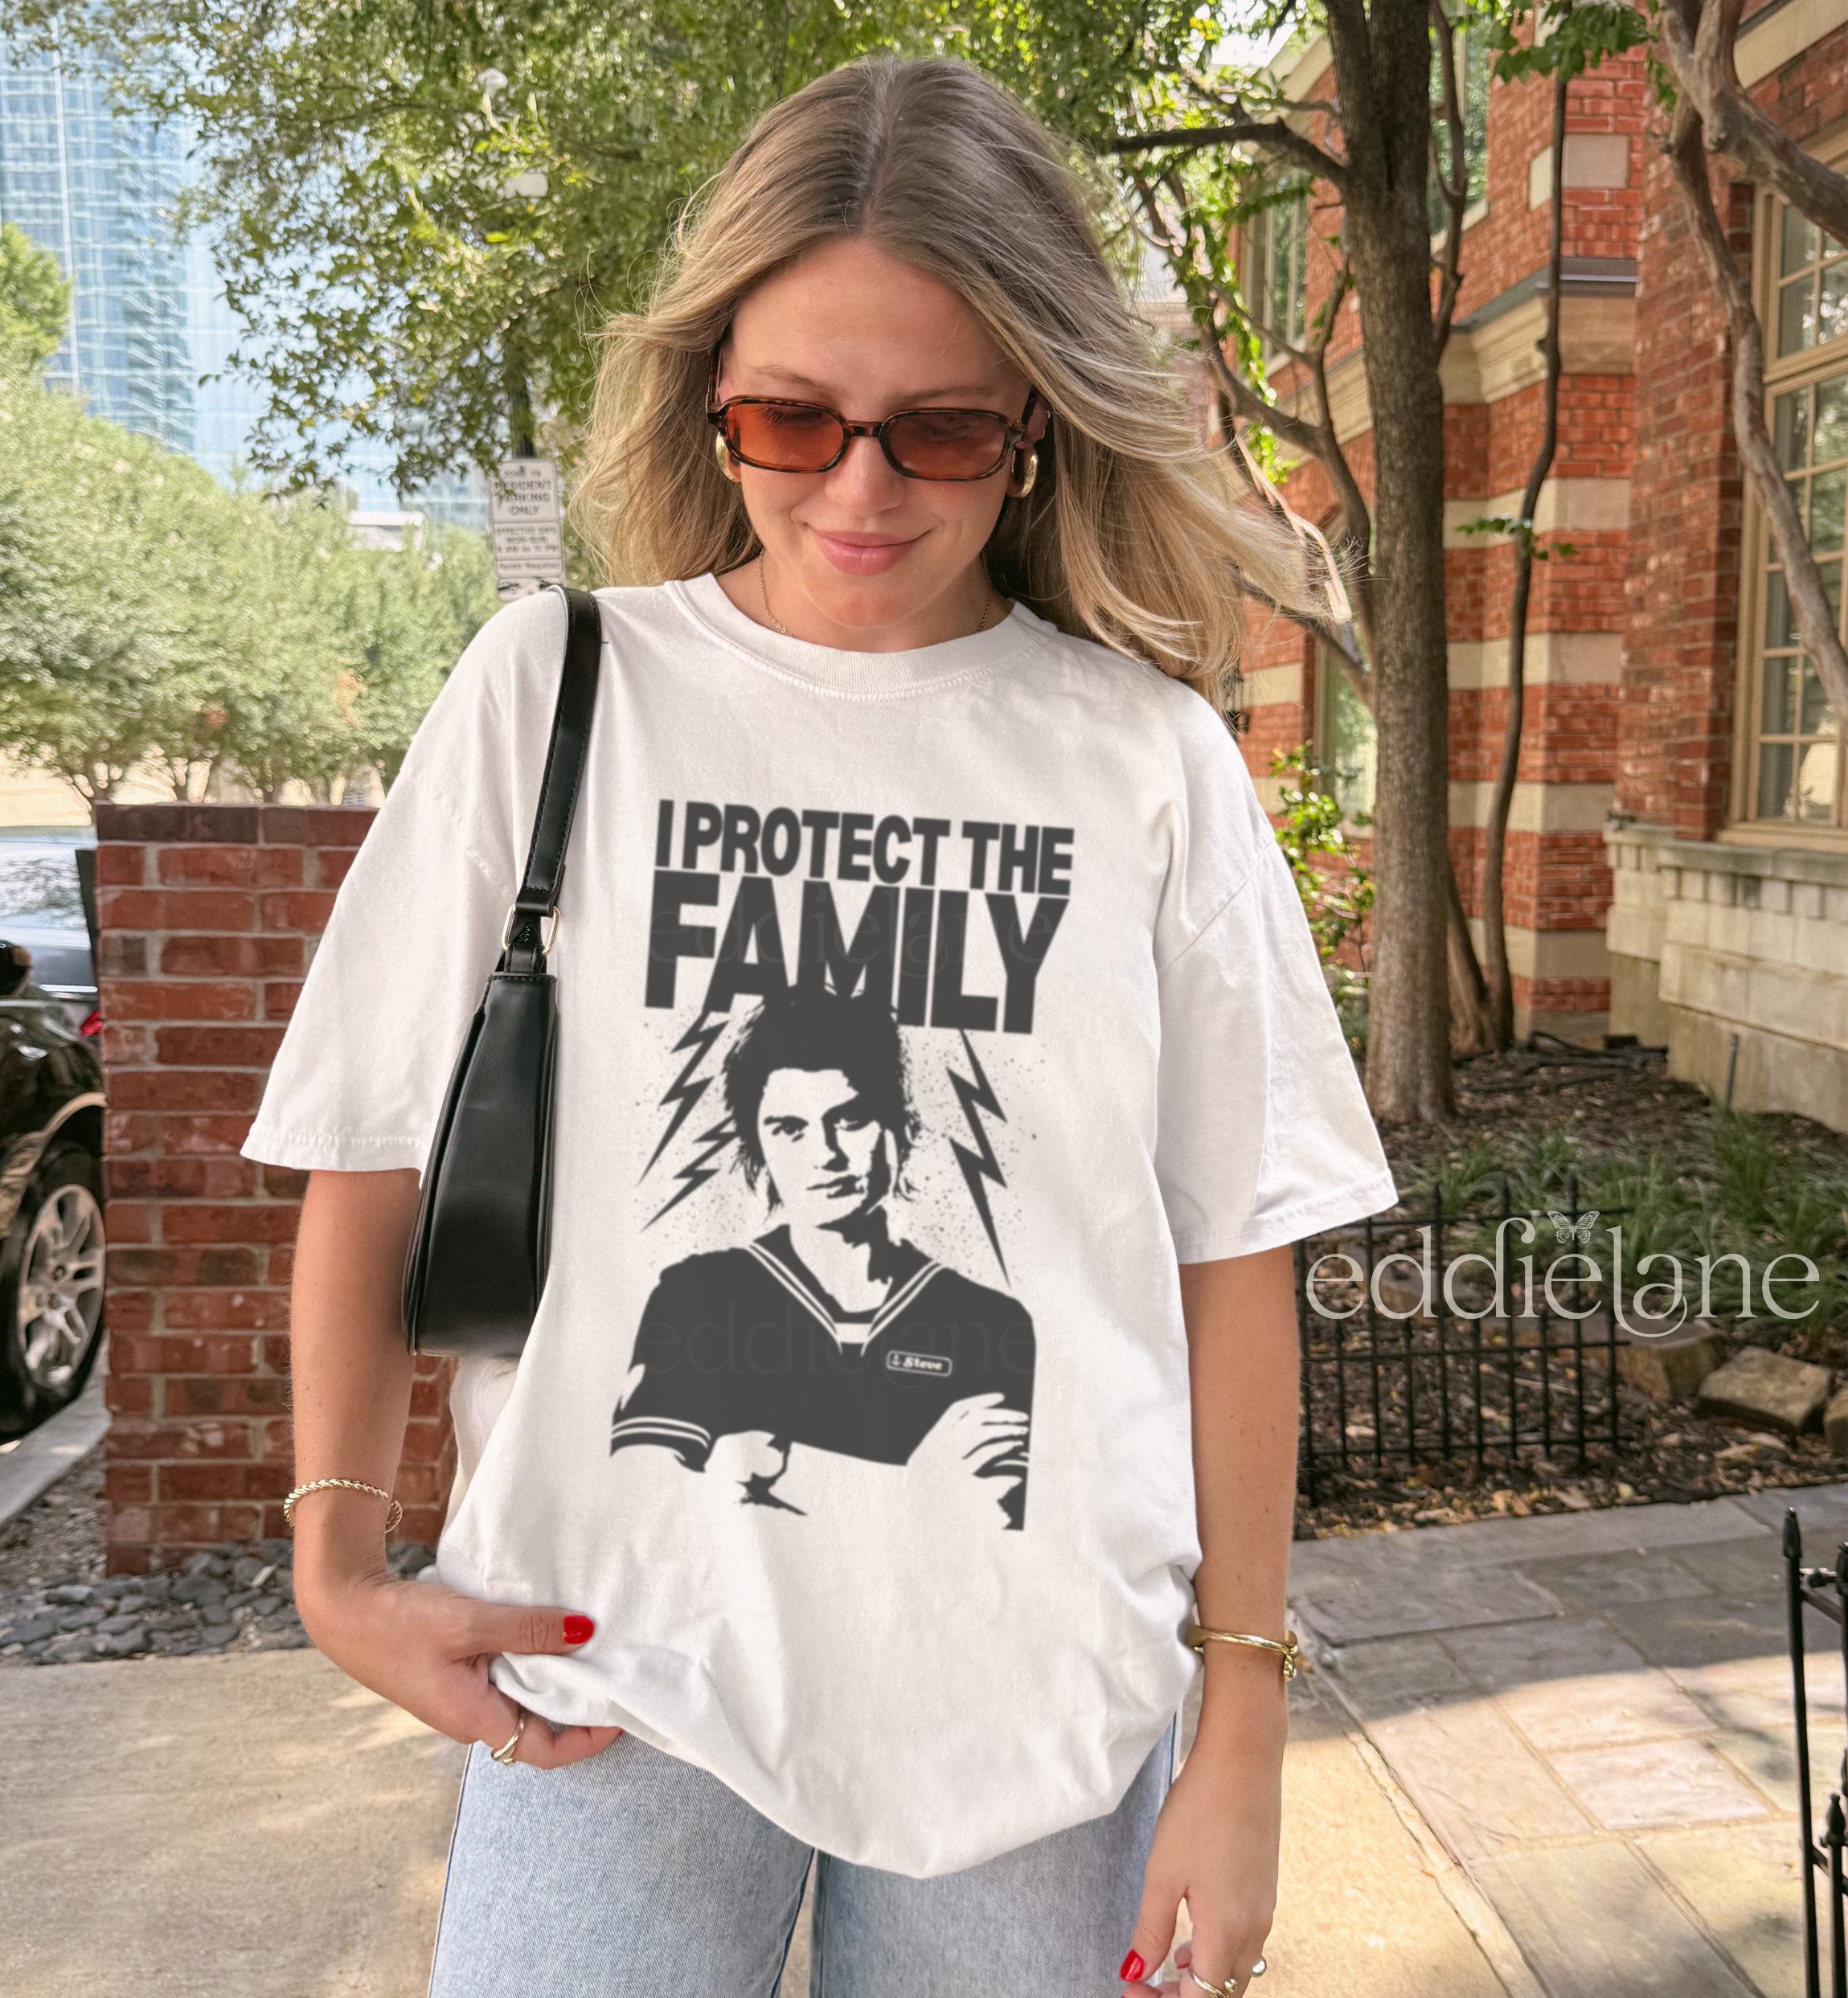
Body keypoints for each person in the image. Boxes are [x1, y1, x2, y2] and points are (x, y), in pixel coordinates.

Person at [246, 54, 1395, 1998]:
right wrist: (339, 1565)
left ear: (1035, 424)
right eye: (794, 417)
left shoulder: (1146, 763)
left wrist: (1245, 1725)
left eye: (938, 430)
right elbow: (368, 1145)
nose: (859, 490)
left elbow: (1232, 1258)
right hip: (611, 1671)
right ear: (711, 392)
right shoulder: (556, 689)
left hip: (1029, 1723)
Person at [611, 985, 1035, 1527]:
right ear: (757, 1148)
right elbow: (642, 1492)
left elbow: (994, 1523)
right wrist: (915, 1481)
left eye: (851, 1119)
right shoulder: (696, 1298)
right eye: (789, 1129)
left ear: (901, 1127)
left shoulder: (989, 1323)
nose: (826, 1154)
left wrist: (759, 1472)